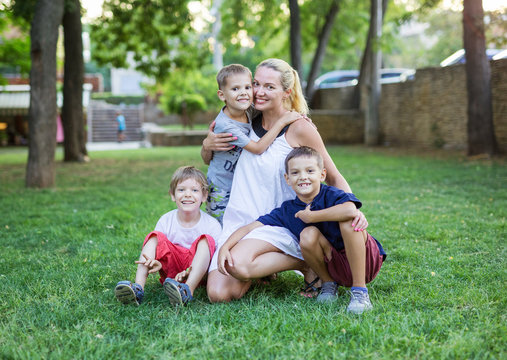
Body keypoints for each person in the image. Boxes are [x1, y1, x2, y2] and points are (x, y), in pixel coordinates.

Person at [201, 58, 368, 303]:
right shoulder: (244, 120)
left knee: (238, 264)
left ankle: (308, 259)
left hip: (281, 222)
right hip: (241, 219)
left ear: (286, 92)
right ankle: (269, 268)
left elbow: (331, 174)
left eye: (269, 87)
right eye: (256, 83)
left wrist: (351, 208)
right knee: (219, 293)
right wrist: (206, 145)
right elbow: (213, 160)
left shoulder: (299, 127)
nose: (258, 91)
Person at [218, 146, 386, 313]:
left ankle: (360, 292)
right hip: (333, 265)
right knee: (307, 234)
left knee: (348, 221)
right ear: (287, 179)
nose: (303, 177)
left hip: (364, 262)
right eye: (295, 173)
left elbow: (350, 211)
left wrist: (312, 217)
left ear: (322, 175)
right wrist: (225, 247)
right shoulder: (288, 210)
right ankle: (328, 284)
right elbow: (249, 227)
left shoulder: (332, 195)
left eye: (310, 171)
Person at [206, 64, 302, 224]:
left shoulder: (248, 110)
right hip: (221, 186)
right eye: (235, 89)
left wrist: (295, 116)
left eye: (248, 87)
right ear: (222, 95)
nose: (243, 93)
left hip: (241, 185)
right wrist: (282, 122)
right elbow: (257, 148)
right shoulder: (226, 125)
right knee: (221, 228)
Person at [114, 166, 221, 306]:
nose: (187, 194)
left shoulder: (212, 225)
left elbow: (214, 263)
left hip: (198, 274)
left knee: (206, 240)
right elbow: (161, 247)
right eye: (181, 190)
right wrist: (157, 261)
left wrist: (189, 271)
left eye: (194, 190)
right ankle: (138, 288)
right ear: (172, 194)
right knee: (155, 236)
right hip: (171, 272)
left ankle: (187, 291)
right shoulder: (166, 220)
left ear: (204, 196)